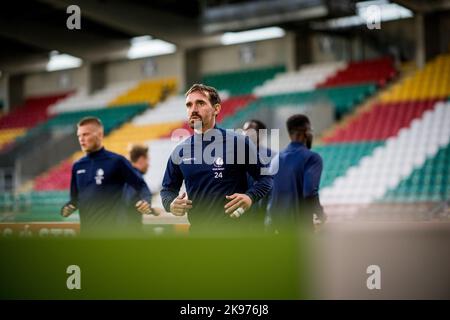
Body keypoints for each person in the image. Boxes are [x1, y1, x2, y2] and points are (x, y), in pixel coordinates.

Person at [160, 84, 273, 234]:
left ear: (217, 109)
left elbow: (266, 178)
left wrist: (250, 197)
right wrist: (171, 204)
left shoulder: (238, 143)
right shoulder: (180, 151)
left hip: (236, 239)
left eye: (200, 103)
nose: (193, 109)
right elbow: (167, 189)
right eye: (189, 105)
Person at [61, 117, 153, 236]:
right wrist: (68, 207)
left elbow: (141, 186)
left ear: (99, 135)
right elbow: (75, 199)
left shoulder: (117, 161)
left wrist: (145, 201)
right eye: (79, 136)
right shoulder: (77, 166)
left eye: (85, 134)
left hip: (113, 238)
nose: (81, 139)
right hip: (87, 238)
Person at [268, 114, 326, 233]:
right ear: (306, 132)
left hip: (277, 229)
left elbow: (269, 195)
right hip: (301, 228)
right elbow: (309, 192)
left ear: (290, 134)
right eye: (311, 130)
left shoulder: (275, 159)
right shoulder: (312, 158)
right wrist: (320, 214)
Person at [242, 119, 276, 231]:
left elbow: (273, 189)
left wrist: (269, 218)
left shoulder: (272, 157)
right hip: (239, 215)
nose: (245, 133)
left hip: (261, 216)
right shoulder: (234, 157)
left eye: (250, 130)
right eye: (244, 130)